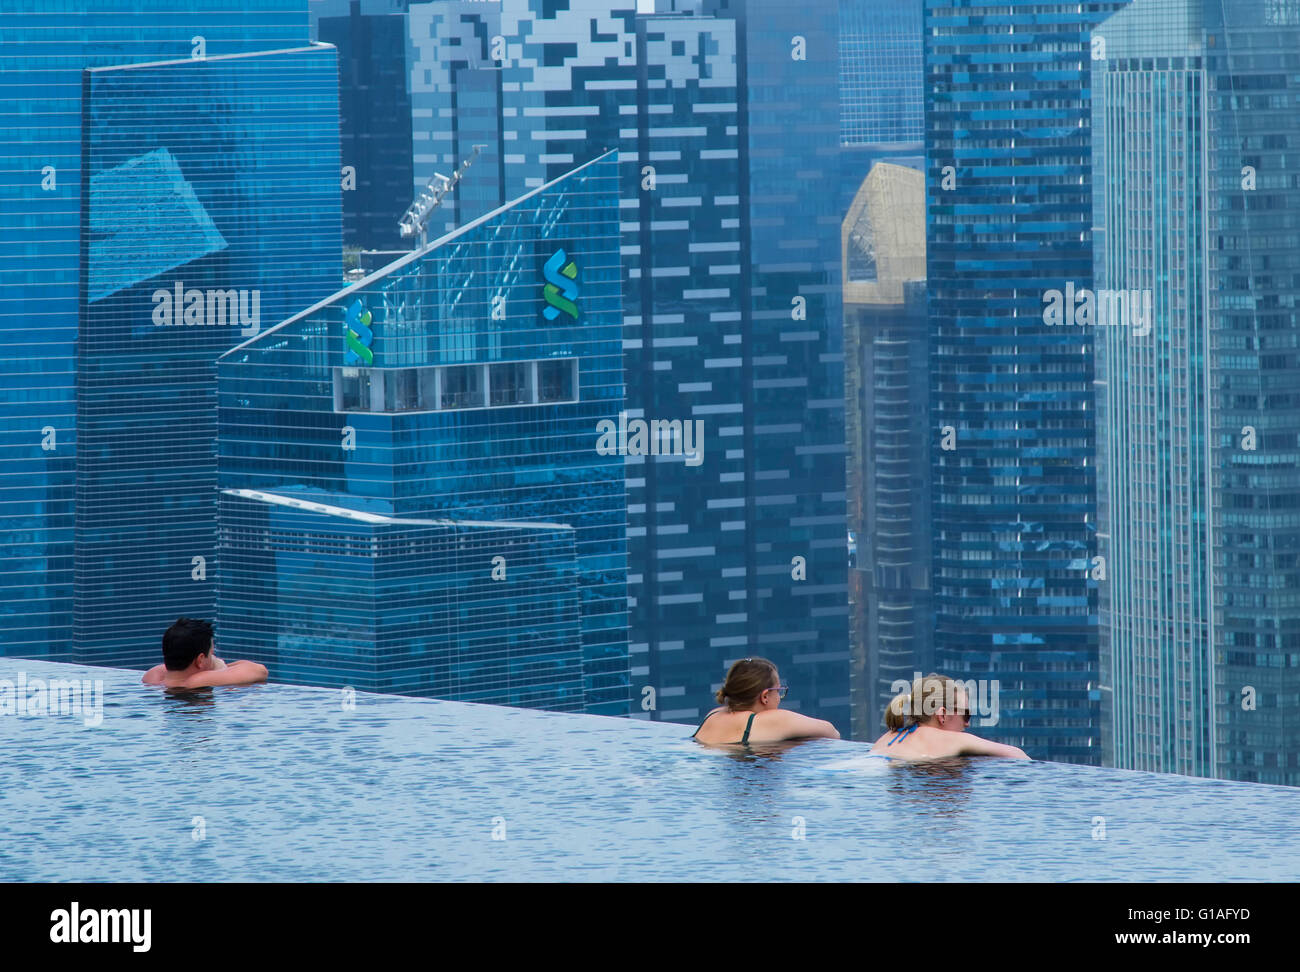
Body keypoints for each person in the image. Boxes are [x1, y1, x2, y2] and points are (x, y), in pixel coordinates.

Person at [868, 672, 1028, 760]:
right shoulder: (955, 740)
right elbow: (1019, 756)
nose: (967, 725)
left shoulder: (888, 737)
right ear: (942, 715)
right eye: (966, 715)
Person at [691, 656, 839, 746]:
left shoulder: (714, 715)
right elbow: (832, 733)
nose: (779, 699)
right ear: (765, 696)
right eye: (779, 691)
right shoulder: (770, 721)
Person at [141, 617, 268, 689]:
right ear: (200, 659)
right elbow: (260, 671)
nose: (213, 658)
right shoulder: (197, 681)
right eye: (211, 653)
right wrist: (220, 667)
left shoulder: (152, 677)